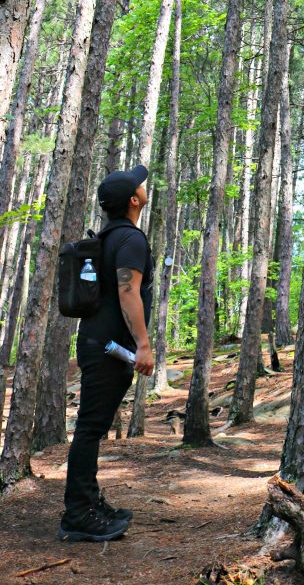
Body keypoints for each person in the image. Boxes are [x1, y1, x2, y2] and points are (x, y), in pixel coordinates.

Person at [59, 165, 154, 543]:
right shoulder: (130, 239)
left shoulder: (108, 236)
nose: (145, 184)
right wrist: (144, 344)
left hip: (98, 344)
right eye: (140, 184)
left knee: (92, 427)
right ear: (133, 200)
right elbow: (128, 292)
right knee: (90, 427)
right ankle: (78, 513)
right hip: (110, 349)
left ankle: (89, 501)